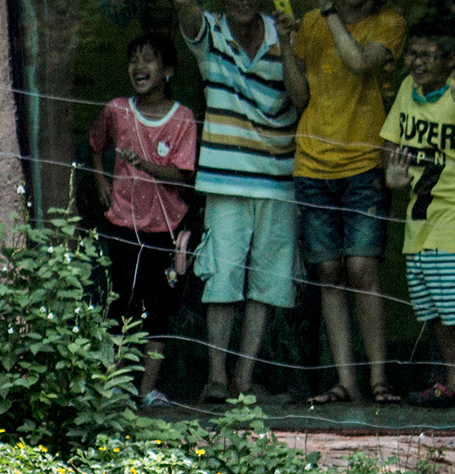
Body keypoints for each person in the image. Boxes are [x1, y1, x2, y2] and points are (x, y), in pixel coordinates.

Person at [174, 0, 303, 403]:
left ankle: (243, 381)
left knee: (268, 282)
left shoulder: (284, 29)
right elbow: (184, 7)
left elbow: (303, 100)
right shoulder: (210, 32)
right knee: (222, 280)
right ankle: (216, 378)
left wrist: (287, 40)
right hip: (225, 180)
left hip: (279, 179)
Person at [285, 0, 407, 405]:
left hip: (364, 161)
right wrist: (289, 42)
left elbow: (357, 61)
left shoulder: (389, 23)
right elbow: (299, 97)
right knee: (328, 271)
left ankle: (379, 380)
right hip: (312, 163)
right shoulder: (312, 24)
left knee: (361, 268)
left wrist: (328, 12)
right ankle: (346, 382)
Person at [92, 32, 200, 408]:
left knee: (159, 311)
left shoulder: (183, 118)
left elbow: (184, 175)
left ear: (168, 70)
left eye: (149, 59)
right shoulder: (117, 110)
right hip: (124, 224)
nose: (139, 67)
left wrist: (147, 167)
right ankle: (117, 385)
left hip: (165, 230)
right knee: (122, 303)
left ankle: (146, 390)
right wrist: (101, 177)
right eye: (134, 60)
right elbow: (96, 144)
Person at [380, 19, 455, 408]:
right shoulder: (408, 89)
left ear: (450, 60)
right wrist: (391, 174)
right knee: (438, 312)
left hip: (452, 219)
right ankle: (449, 384)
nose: (417, 63)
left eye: (428, 56)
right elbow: (390, 144)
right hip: (418, 221)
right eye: (413, 54)